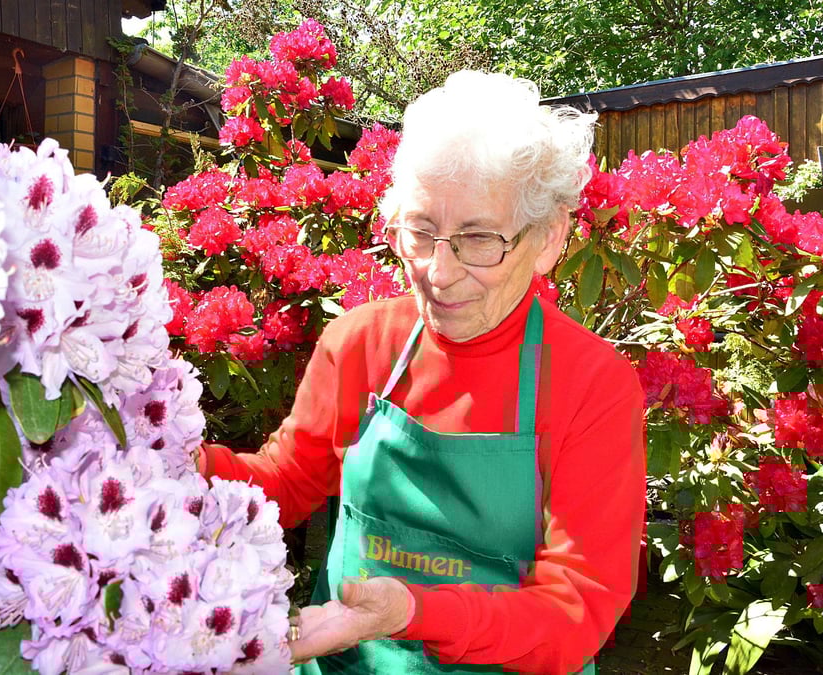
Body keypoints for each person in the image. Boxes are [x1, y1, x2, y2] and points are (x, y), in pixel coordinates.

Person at [200, 70, 646, 674]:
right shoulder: (361, 343)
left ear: (547, 238)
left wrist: (413, 612)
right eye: (421, 231)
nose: (438, 272)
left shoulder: (592, 385)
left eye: (478, 238)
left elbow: (575, 610)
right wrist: (153, 447)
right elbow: (279, 483)